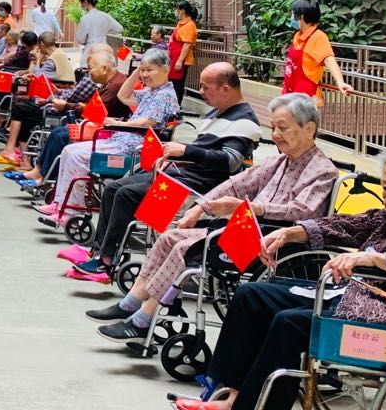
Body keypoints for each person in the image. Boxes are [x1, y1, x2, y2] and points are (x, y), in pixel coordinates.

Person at [177, 142, 386, 410]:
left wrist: (378, 261)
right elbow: (347, 224)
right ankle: (232, 398)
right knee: (251, 295)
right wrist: (291, 233)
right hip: (355, 305)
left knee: (291, 324)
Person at [89, 93, 337, 342]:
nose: (275, 135)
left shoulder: (322, 170)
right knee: (170, 236)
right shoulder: (278, 161)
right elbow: (236, 184)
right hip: (242, 226)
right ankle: (132, 302)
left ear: (309, 129)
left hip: (270, 239)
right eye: (273, 128)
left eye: (282, 128)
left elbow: (302, 211)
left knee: (185, 247)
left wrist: (252, 207)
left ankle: (143, 319)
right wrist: (200, 208)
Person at [73, 62, 263, 278]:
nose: (200, 92)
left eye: (204, 87)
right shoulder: (217, 112)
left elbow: (230, 161)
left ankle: (107, 261)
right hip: (180, 176)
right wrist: (173, 156)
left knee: (126, 195)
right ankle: (100, 254)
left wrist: (185, 151)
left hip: (198, 188)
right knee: (113, 188)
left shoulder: (244, 121)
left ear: (225, 89)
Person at [35, 48, 180, 215]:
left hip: (133, 147)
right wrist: (137, 71)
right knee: (68, 150)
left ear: (166, 69)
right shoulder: (151, 93)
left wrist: (117, 123)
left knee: (75, 154)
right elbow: (123, 96)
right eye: (144, 70)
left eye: (150, 70)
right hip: (122, 140)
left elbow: (147, 122)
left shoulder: (165, 95)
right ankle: (61, 203)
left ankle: (69, 210)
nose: (145, 75)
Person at [10, 43, 131, 184]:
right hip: (94, 123)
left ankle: (44, 178)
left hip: (104, 129)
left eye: (91, 68)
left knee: (61, 136)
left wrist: (67, 105)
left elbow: (96, 112)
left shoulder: (115, 84)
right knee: (58, 132)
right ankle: (37, 172)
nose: (88, 72)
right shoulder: (109, 82)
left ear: (104, 69)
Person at [282, 0, 355, 101]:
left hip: (306, 100)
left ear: (301, 16)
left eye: (293, 14)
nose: (291, 17)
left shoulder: (318, 37)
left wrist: (340, 82)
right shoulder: (298, 36)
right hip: (289, 96)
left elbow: (329, 59)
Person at [169, 0, 200, 104]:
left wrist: (179, 60)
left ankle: (176, 106)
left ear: (182, 10)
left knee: (178, 83)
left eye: (178, 9)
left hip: (181, 59)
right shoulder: (181, 23)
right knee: (172, 82)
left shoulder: (189, 25)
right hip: (174, 57)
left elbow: (187, 44)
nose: (176, 11)